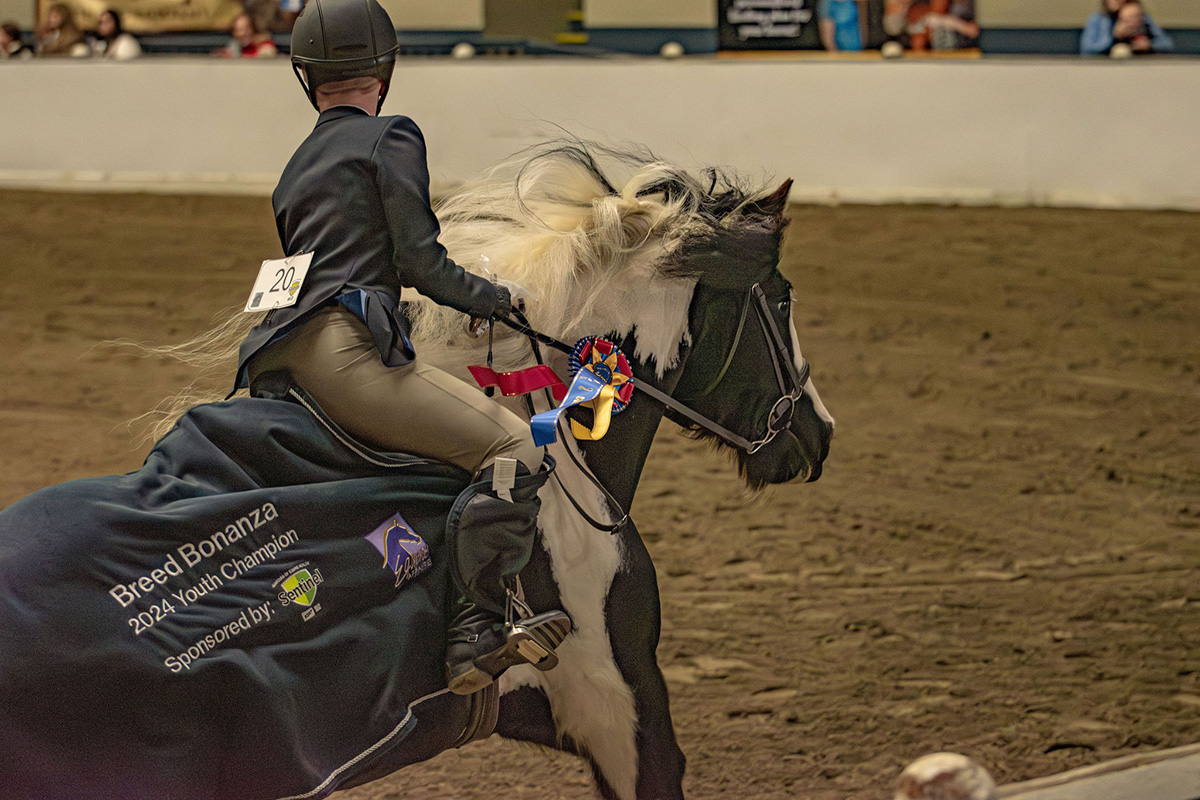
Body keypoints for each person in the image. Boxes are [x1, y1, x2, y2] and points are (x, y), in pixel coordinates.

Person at [236, 0, 570, 695]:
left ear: (307, 78)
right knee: (516, 448)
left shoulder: (294, 166)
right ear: (383, 71)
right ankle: (474, 636)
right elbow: (420, 262)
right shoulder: (389, 136)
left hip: (274, 355)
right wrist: (494, 298)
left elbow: (320, 267)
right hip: (345, 352)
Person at [1081, 0, 1174, 55]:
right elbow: (1087, 50)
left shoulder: (1143, 19)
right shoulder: (1098, 20)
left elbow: (1167, 44)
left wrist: (1149, 45)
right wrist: (1114, 36)